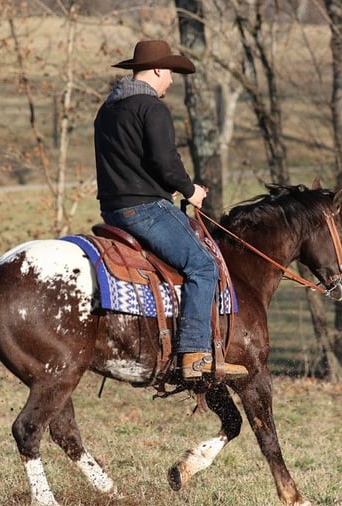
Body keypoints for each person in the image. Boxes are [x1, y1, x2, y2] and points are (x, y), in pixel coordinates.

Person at [94, 39, 248, 381]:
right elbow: (165, 163)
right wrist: (191, 190)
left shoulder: (108, 110)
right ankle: (193, 354)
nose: (172, 82)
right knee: (203, 266)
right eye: (171, 74)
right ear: (159, 70)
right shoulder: (151, 108)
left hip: (113, 212)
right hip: (146, 209)